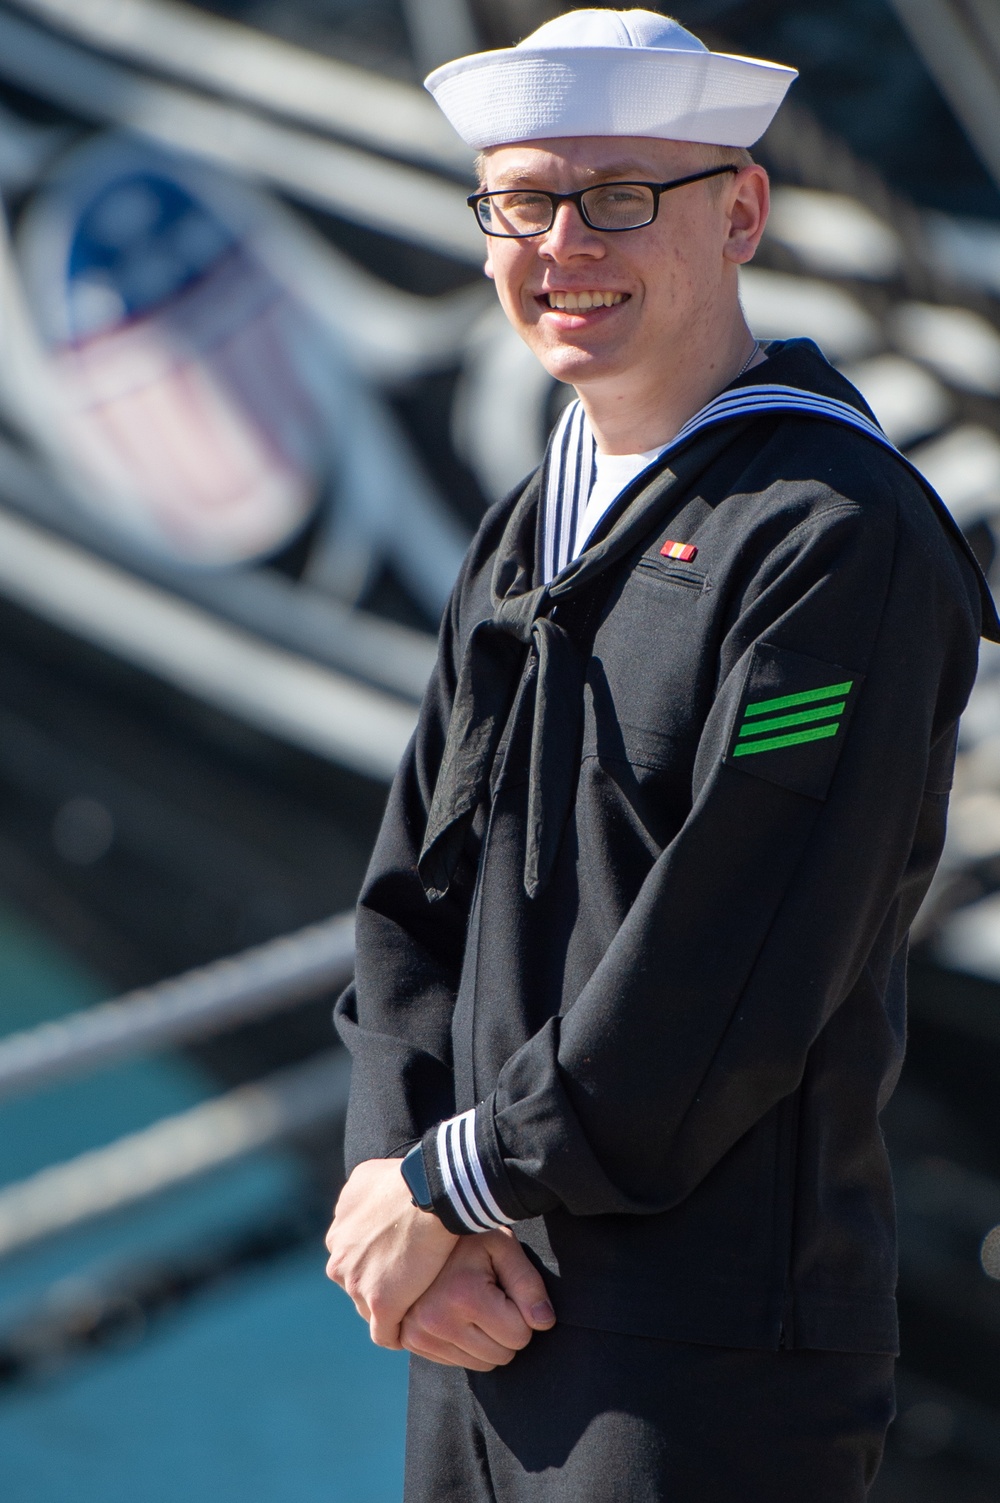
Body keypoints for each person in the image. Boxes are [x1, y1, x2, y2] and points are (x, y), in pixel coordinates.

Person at [325, 11, 1000, 1500]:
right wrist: (395, 1192)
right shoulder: (529, 530)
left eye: (622, 196)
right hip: (478, 1316)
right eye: (523, 201)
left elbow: (738, 956)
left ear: (740, 213)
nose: (564, 244)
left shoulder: (839, 543)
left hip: (697, 1365)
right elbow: (404, 908)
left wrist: (453, 1182)